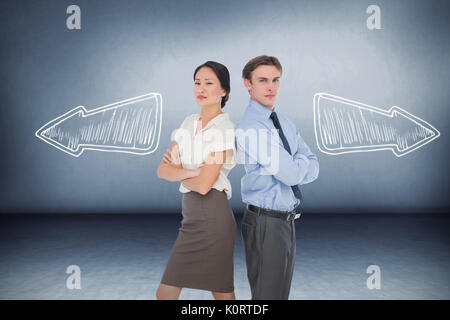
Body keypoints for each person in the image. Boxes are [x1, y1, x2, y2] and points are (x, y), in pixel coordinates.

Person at [235, 55, 319, 300]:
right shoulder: (251, 127)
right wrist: (298, 164)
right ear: (247, 84)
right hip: (265, 223)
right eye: (262, 80)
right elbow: (292, 173)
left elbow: (315, 164)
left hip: (286, 222)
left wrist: (297, 165)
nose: (271, 86)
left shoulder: (284, 123)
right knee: (266, 298)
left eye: (275, 80)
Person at [156, 61, 237, 300]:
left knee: (221, 293)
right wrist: (191, 172)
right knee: (167, 292)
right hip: (191, 217)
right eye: (197, 83)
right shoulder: (189, 123)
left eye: (208, 83)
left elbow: (204, 186)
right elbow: (162, 170)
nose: (200, 88)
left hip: (214, 217)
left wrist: (180, 171)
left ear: (223, 91)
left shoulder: (224, 129)